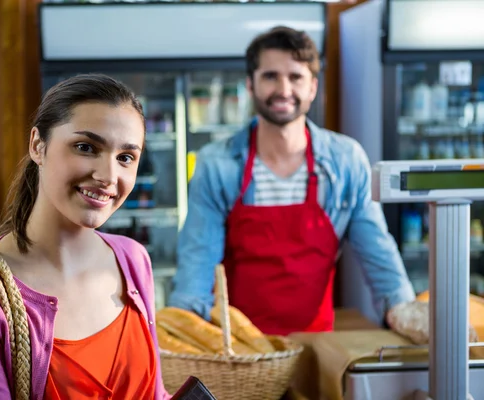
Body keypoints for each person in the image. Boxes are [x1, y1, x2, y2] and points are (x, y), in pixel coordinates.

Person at [169, 26, 425, 338]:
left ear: (313, 87)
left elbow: (377, 249)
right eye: (270, 76)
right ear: (250, 84)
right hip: (239, 351)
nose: (283, 89)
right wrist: (180, 330)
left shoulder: (345, 160)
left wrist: (402, 307)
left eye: (295, 77)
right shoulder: (217, 165)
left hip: (314, 347)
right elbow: (198, 262)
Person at [0, 74, 171, 399]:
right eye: (86, 147)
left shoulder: (133, 258)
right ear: (37, 146)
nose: (108, 176)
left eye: (125, 158)